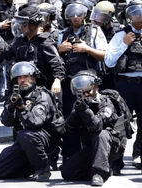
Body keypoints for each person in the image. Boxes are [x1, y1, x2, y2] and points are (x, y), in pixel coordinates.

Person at [0, 61, 61, 181]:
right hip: (24, 141)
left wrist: (22, 108)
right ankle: (32, 166)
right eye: (19, 78)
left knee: (25, 135)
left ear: (33, 78)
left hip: (45, 139)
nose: (22, 80)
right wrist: (11, 107)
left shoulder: (42, 95)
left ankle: (43, 169)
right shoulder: (15, 95)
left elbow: (35, 122)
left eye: (26, 77)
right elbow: (6, 122)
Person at [0, 3, 65, 95]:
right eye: (20, 24)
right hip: (20, 87)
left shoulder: (45, 42)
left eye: (24, 25)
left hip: (40, 90)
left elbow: (57, 64)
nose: (21, 28)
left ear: (34, 24)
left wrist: (57, 81)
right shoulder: (21, 41)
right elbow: (7, 52)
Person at [57, 0, 107, 163]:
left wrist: (87, 49)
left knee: (90, 118)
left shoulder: (94, 31)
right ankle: (69, 156)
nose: (76, 16)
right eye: (72, 14)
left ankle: (93, 155)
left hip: (89, 84)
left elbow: (105, 55)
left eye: (79, 13)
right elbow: (52, 60)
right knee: (68, 119)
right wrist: (60, 50)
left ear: (85, 15)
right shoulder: (62, 33)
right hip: (69, 84)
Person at [61, 70, 127, 186]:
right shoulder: (79, 104)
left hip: (112, 146)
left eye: (87, 90)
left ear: (95, 86)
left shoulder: (106, 102)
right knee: (67, 173)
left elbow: (97, 125)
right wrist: (77, 112)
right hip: (92, 147)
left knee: (102, 133)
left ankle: (99, 173)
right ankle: (102, 169)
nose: (85, 94)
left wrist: (85, 111)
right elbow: (69, 127)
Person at [104, 0, 142, 173]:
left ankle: (138, 155)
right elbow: (109, 61)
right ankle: (116, 161)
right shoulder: (121, 35)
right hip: (125, 84)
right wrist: (124, 44)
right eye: (135, 12)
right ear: (128, 16)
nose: (139, 15)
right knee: (119, 123)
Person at [89, 1, 122, 90]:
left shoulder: (119, 31)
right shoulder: (92, 30)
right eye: (96, 15)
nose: (96, 19)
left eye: (100, 16)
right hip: (98, 70)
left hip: (114, 71)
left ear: (108, 17)